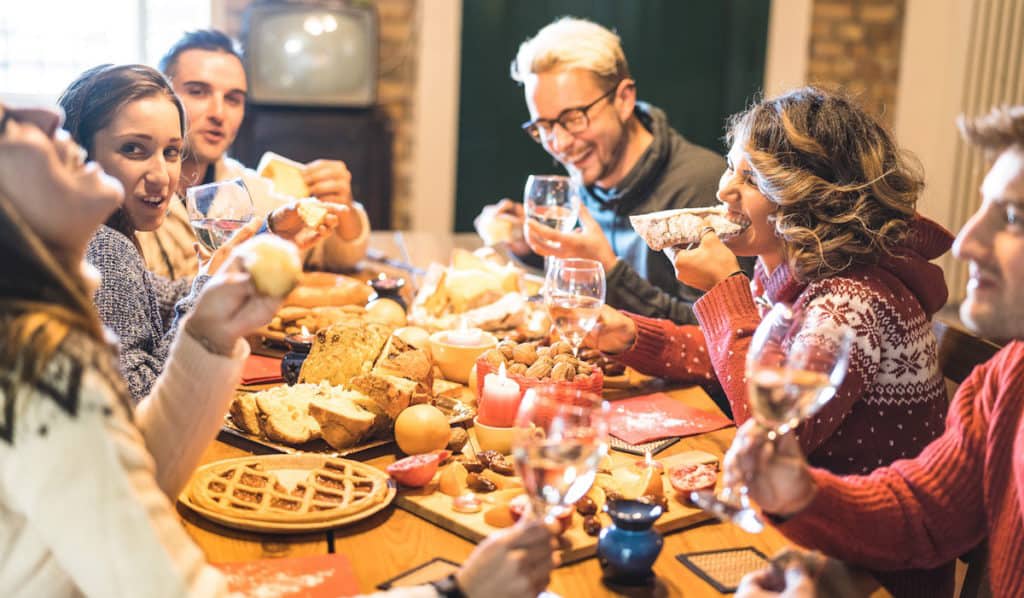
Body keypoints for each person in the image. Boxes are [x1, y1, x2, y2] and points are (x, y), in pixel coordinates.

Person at [0, 101, 556, 597]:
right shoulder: (42, 373)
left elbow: (134, 471)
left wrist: (207, 337)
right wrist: (457, 591)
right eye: (4, 121)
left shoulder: (39, 329)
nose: (43, 115)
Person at [590, 87, 955, 596]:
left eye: (752, 179)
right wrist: (634, 336)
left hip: (864, 571)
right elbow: (736, 360)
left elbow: (769, 430)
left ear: (812, 199)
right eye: (731, 168)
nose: (724, 190)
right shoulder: (788, 269)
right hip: (795, 529)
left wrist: (724, 290)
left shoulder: (851, 303)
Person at [726, 104, 1024, 598]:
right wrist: (801, 495)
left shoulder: (851, 299)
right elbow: (926, 512)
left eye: (1013, 218)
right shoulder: (1007, 376)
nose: (965, 243)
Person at [59, 64, 339, 402]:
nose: (162, 176)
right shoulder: (104, 248)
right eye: (133, 149)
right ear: (79, 154)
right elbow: (138, 400)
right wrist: (207, 291)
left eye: (171, 152)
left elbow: (165, 297)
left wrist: (263, 240)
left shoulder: (78, 235)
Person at [477, 17, 738, 325]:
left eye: (574, 118)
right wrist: (529, 247)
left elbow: (715, 332)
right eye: (544, 126)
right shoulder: (590, 172)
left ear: (624, 99)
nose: (559, 143)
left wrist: (610, 271)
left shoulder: (702, 186)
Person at [134, 29, 369, 281]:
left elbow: (338, 255)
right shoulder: (131, 192)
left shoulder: (246, 189)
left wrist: (343, 204)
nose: (219, 113)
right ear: (163, 98)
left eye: (233, 99)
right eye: (198, 92)